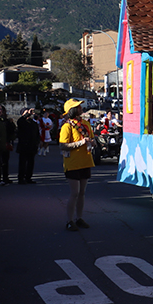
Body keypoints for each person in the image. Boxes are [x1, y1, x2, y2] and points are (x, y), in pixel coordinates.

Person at [60, 98, 95, 231]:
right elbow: (63, 146)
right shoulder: (67, 126)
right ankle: (69, 221)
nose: (81, 108)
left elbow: (91, 138)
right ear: (72, 110)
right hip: (73, 163)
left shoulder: (86, 123)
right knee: (74, 193)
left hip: (86, 161)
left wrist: (92, 142)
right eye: (78, 107)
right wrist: (80, 143)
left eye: (80, 106)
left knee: (82, 193)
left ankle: (79, 218)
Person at [16, 107, 41, 183]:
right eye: (26, 112)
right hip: (23, 145)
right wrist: (27, 114)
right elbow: (20, 122)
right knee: (23, 163)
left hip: (32, 146)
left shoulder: (33, 123)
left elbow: (37, 134)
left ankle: (28, 177)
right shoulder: (21, 122)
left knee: (31, 163)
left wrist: (37, 142)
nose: (29, 114)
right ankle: (21, 178)